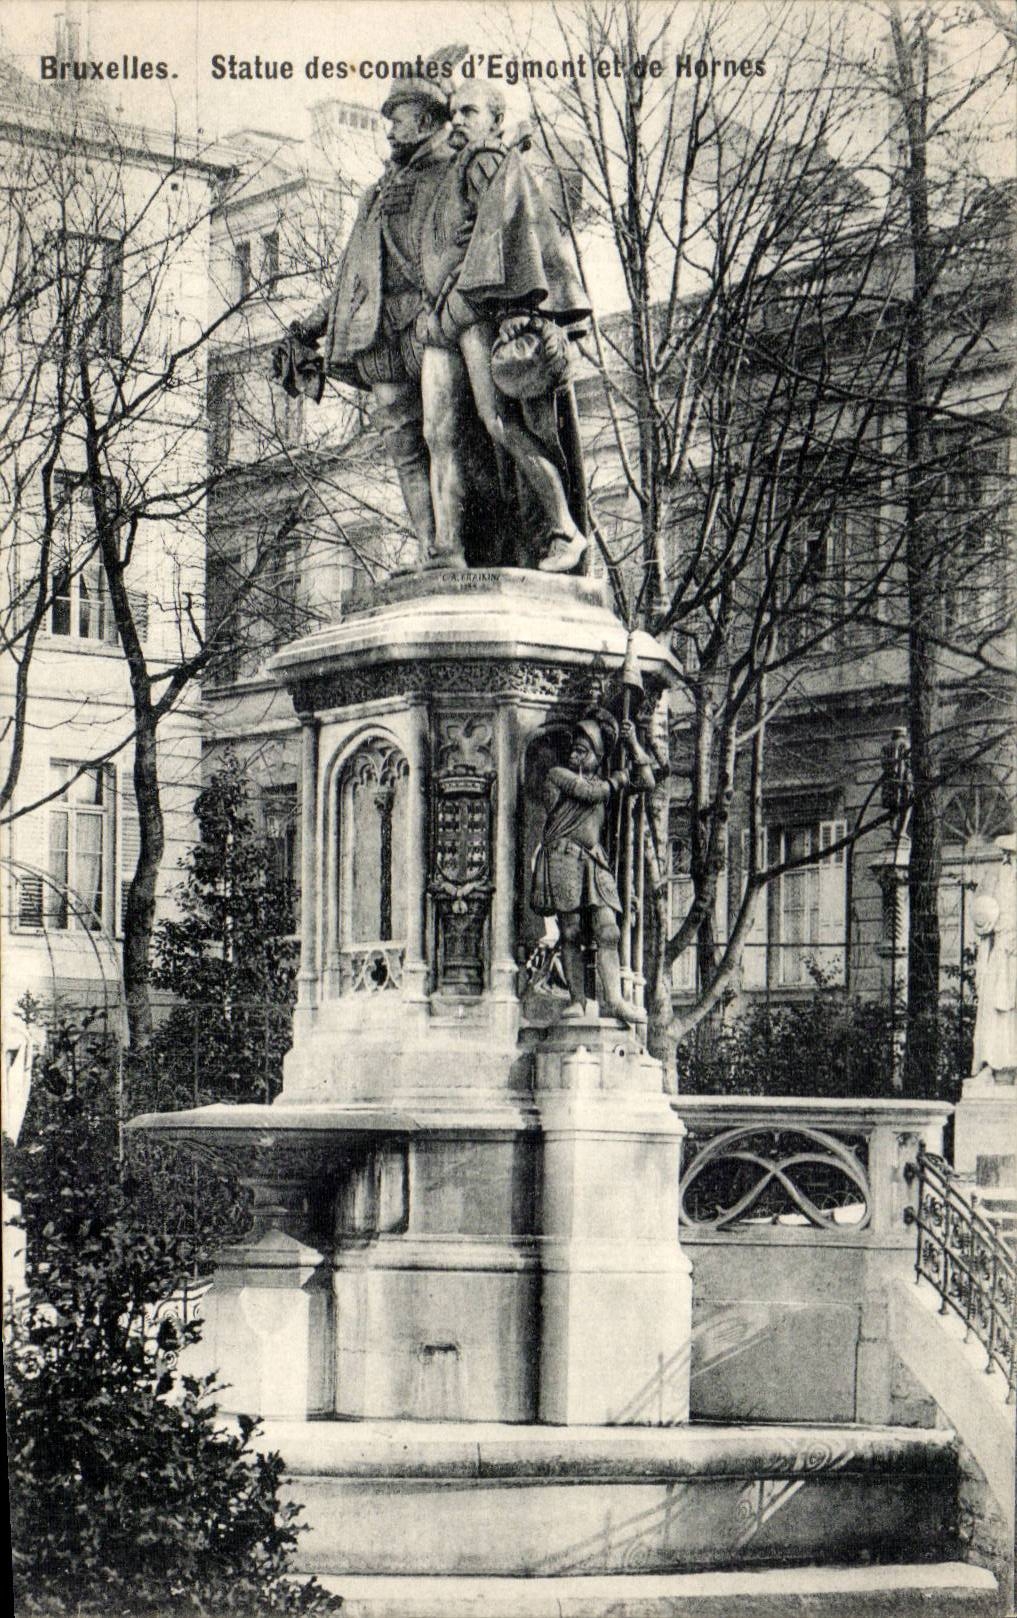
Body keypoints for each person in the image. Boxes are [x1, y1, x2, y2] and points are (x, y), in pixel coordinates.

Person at [418, 85, 591, 572]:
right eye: (453, 112)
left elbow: (508, 232)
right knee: (447, 433)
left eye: (469, 111)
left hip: (476, 311)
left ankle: (564, 529)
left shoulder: (486, 160)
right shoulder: (460, 167)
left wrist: (510, 305)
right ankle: (450, 547)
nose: (457, 120)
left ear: (495, 120)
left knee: (497, 424)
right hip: (449, 317)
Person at [287, 80, 454, 551]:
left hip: (432, 327)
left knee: (448, 436)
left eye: (397, 120)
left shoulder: (453, 175)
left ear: (425, 121)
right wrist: (310, 326)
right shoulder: (377, 192)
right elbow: (350, 276)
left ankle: (460, 546)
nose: (389, 131)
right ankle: (431, 549)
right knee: (404, 447)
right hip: (381, 336)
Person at [530, 712, 655, 1024]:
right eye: (573, 749)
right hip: (563, 857)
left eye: (582, 750)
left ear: (598, 756)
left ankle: (614, 1000)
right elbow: (590, 793)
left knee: (608, 930)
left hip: (593, 860)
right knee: (570, 932)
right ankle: (577, 1001)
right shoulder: (558, 775)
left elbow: (647, 780)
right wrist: (618, 779)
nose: (574, 755)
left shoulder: (604, 782)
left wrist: (633, 744)